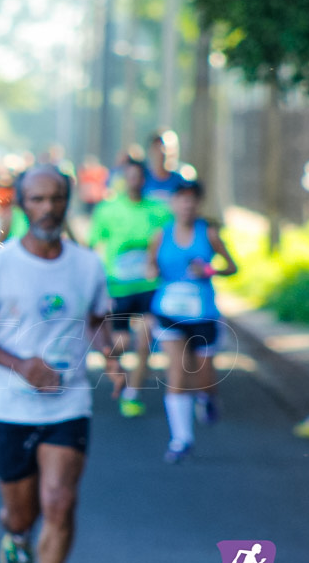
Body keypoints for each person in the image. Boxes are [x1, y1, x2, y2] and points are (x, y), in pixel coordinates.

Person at [0, 165, 126, 563]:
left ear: (67, 202)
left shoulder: (87, 264)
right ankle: (15, 533)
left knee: (60, 499)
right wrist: (22, 366)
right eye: (37, 199)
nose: (47, 208)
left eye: (55, 198)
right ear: (23, 204)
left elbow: (96, 320)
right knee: (21, 513)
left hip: (68, 403)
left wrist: (111, 356)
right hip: (9, 406)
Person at [147, 179, 237, 463]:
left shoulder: (208, 233)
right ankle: (181, 439)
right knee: (177, 369)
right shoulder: (161, 235)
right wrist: (150, 271)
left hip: (202, 312)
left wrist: (208, 269)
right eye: (181, 199)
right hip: (169, 310)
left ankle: (208, 397)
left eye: (191, 200)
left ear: (198, 203)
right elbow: (151, 264)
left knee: (203, 375)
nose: (186, 205)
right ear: (174, 203)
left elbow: (231, 266)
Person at [88, 157, 173, 417]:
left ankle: (133, 394)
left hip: (149, 285)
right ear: (124, 180)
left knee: (145, 338)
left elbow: (170, 242)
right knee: (121, 342)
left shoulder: (159, 210)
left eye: (140, 177)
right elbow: (94, 246)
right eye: (130, 177)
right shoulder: (107, 209)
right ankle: (116, 369)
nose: (135, 182)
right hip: (118, 287)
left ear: (145, 180)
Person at [143, 131, 185, 202]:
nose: (161, 152)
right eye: (157, 147)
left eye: (165, 148)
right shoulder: (142, 178)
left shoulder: (180, 181)